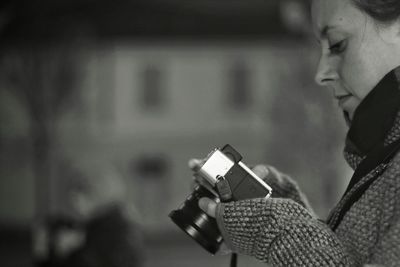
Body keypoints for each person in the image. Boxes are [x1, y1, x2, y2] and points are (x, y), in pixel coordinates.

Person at [194, 0, 400, 266]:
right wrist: (293, 215)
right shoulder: (383, 159)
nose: (321, 73)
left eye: (337, 45)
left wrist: (275, 230)